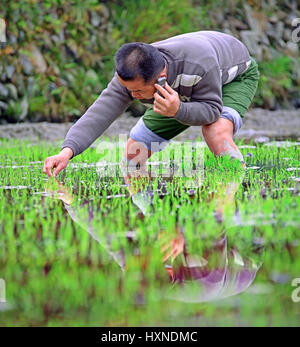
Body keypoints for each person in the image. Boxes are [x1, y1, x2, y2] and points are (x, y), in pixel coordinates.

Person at [43, 30, 260, 177]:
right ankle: (151, 220)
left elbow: (211, 111)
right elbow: (98, 114)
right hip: (179, 94)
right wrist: (67, 151)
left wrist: (179, 109)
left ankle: (231, 197)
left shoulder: (199, 63)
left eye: (138, 91)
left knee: (216, 131)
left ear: (161, 77)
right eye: (129, 89)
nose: (132, 95)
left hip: (232, 78)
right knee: (132, 155)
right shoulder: (132, 75)